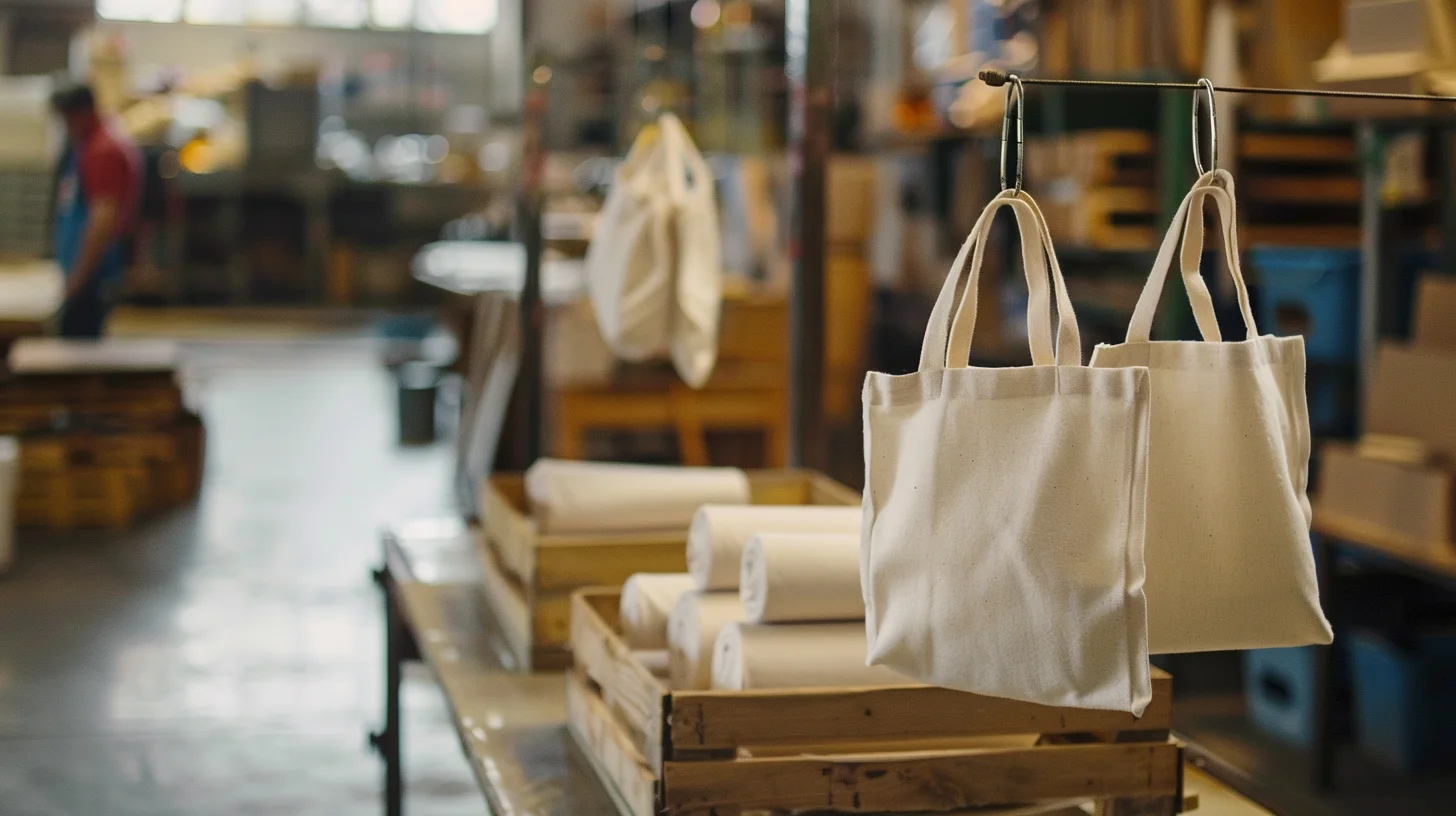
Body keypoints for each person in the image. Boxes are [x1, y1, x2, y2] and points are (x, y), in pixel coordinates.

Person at [50, 83, 141, 338]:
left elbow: (103, 218)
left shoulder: (103, 150)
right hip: (83, 270)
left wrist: (79, 277)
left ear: (79, 113)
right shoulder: (88, 143)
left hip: (92, 274)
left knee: (78, 350)